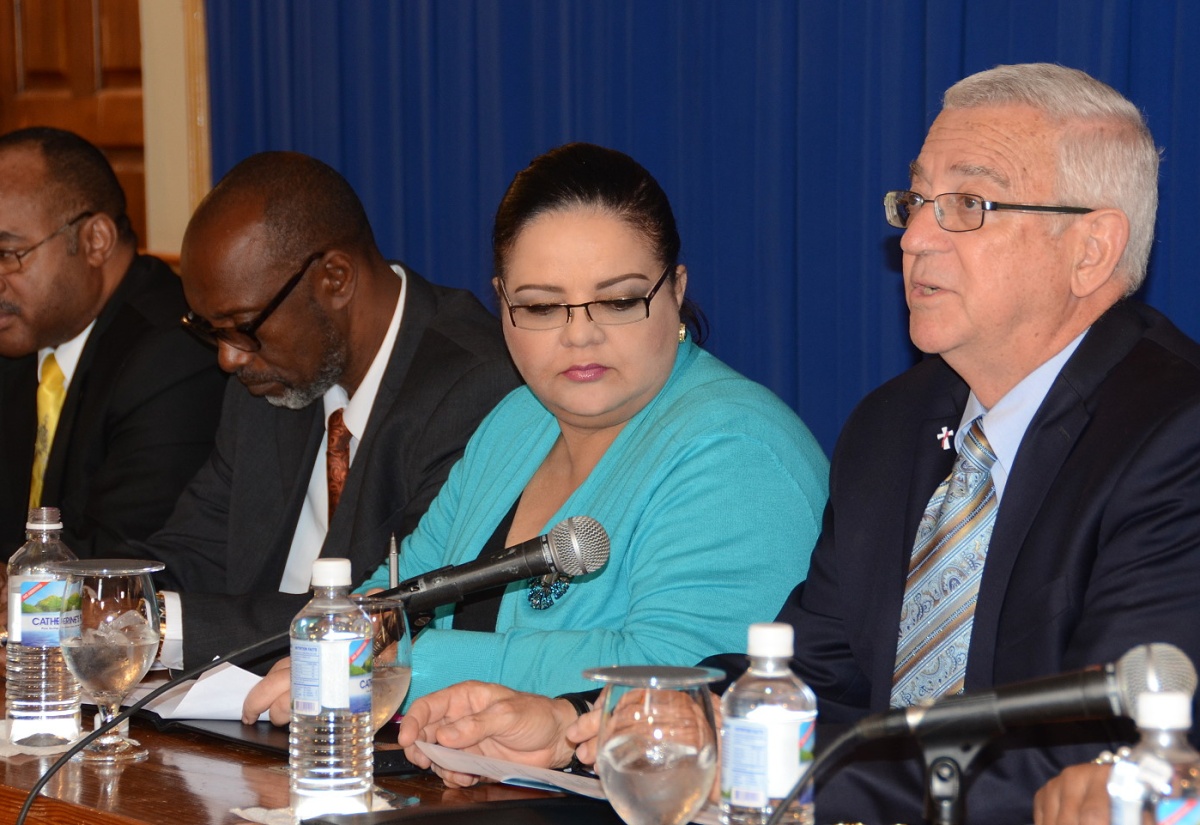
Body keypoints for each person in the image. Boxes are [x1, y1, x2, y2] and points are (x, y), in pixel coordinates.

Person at [386, 65, 1200, 825]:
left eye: (968, 206)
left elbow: (1100, 756)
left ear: (1091, 248)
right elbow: (812, 673)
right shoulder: (894, 426)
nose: (915, 239)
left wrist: (756, 761)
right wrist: (582, 726)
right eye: (914, 202)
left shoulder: (1174, 435)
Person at [242, 142, 829, 723]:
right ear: (502, 303)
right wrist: (342, 639)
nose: (580, 336)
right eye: (544, 308)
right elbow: (397, 590)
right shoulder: (517, 418)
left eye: (618, 300)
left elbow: (673, 673)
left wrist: (412, 667)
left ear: (675, 290)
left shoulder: (741, 452)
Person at [134, 151, 521, 669]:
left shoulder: (474, 387)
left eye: (242, 326)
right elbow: (192, 551)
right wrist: (94, 600)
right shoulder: (271, 378)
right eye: (211, 331)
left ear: (336, 279)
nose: (228, 358)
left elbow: (386, 616)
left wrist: (162, 626)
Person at [0, 127, 225, 559]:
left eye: (8, 254)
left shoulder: (174, 355)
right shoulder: (23, 332)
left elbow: (115, 556)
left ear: (95, 241)